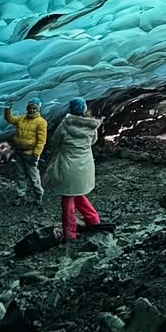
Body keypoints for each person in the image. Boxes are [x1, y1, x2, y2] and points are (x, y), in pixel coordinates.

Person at [45, 97, 109, 241]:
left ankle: (70, 234)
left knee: (67, 200)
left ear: (71, 109)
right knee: (78, 194)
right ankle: (93, 220)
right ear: (84, 109)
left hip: (67, 166)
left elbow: (54, 142)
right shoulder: (91, 126)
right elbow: (93, 141)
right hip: (85, 166)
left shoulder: (65, 125)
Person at [3, 100, 47, 205]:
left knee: (34, 177)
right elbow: (10, 119)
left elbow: (41, 141)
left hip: (30, 154)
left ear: (38, 109)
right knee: (21, 175)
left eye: (34, 108)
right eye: (30, 108)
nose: (31, 110)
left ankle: (39, 194)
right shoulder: (22, 118)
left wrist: (36, 155)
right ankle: (21, 195)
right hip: (19, 152)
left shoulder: (41, 122)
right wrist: (8, 109)